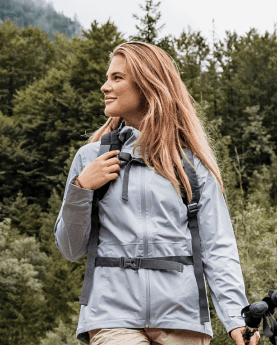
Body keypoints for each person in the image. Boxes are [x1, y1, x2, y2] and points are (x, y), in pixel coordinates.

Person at [54, 41, 259, 345]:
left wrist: (235, 318)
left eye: (116, 78)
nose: (104, 87)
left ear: (148, 84)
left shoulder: (193, 165)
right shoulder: (90, 159)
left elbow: (218, 248)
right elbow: (70, 248)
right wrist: (81, 188)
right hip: (111, 318)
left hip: (183, 317)